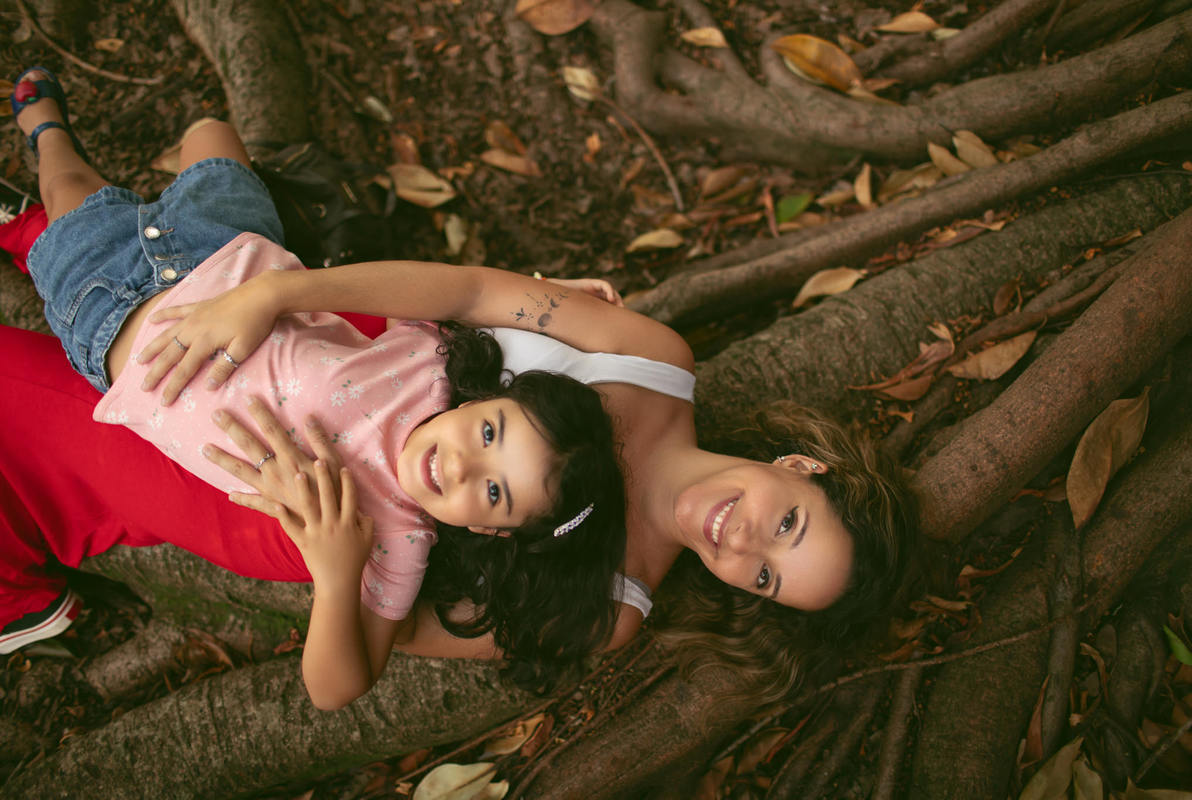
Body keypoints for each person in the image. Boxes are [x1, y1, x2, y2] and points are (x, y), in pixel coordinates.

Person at [2, 65, 916, 705]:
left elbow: (385, 638)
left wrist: (331, 559)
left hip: (284, 497)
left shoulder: (608, 613)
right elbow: (474, 293)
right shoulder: (653, 363)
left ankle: (54, 216)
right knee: (182, 202)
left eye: (763, 577)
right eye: (788, 522)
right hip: (325, 326)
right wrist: (277, 293)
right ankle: (75, 216)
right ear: (800, 463)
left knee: (48, 398)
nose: (744, 540)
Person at [3, 67, 627, 709]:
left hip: (110, 314)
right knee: (209, 133)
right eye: (490, 431)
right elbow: (457, 293)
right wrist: (546, 295)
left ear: (495, 534)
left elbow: (336, 691)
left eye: (495, 493)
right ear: (489, 397)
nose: (463, 463)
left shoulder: (397, 539)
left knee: (67, 185)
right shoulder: (431, 362)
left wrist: (334, 577)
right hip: (223, 245)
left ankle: (45, 129)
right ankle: (174, 147)